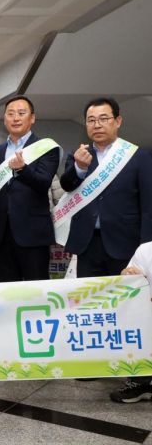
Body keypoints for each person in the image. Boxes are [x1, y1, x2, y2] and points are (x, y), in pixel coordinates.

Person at [58, 97, 152, 278]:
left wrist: (146, 246)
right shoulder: (79, 155)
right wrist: (79, 167)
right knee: (90, 301)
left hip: (126, 243)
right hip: (87, 242)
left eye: (103, 119)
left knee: (125, 300)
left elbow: (148, 206)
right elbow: (66, 185)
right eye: (91, 120)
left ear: (118, 121)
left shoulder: (138, 156)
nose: (97, 125)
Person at [0, 95, 60, 282]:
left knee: (36, 289)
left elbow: (43, 182)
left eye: (21, 113)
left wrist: (22, 169)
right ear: (4, 119)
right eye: (10, 114)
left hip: (33, 233)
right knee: (6, 289)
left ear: (32, 118)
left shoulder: (46, 147)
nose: (16, 118)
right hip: (2, 235)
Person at [108, 241, 152, 403]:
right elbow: (129, 279)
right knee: (132, 319)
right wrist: (128, 275)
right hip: (148, 313)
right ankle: (142, 382)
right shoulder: (146, 249)